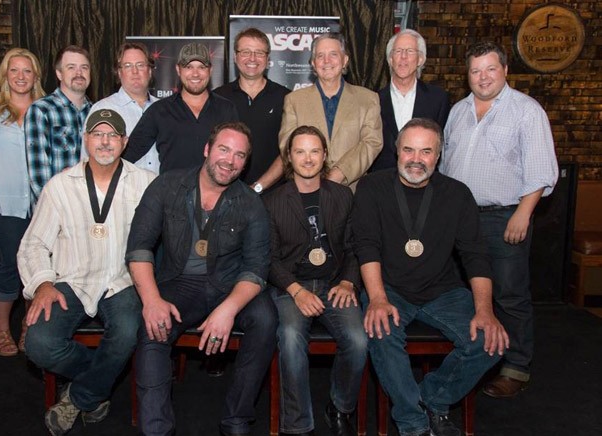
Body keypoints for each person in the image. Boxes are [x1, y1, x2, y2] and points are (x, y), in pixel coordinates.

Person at [352, 118, 509, 436]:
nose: (415, 159)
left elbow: (475, 256)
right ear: (396, 151)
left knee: (493, 342)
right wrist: (378, 299)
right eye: (408, 149)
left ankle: (432, 398)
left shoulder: (458, 194)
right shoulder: (372, 187)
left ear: (438, 155)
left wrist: (485, 310)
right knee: (380, 331)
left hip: (443, 291)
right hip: (390, 288)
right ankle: (413, 424)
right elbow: (366, 246)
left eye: (426, 151)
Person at [126, 121, 277, 436]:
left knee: (265, 317)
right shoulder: (167, 186)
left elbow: (256, 269)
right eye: (223, 149)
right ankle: (156, 430)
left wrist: (228, 309)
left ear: (245, 163)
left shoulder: (251, 204)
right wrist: (152, 300)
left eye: (239, 156)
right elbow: (139, 248)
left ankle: (236, 419)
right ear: (207, 150)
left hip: (229, 284)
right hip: (179, 283)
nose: (229, 161)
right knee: (154, 323)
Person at [18, 109, 156, 436]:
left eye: (112, 135)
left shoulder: (147, 184)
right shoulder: (60, 186)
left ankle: (79, 397)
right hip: (71, 280)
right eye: (97, 134)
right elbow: (33, 244)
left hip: (122, 282)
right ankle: (99, 380)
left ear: (124, 142)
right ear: (86, 140)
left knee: (126, 331)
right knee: (38, 344)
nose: (105, 142)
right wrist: (42, 283)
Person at [441, 41, 558, 399]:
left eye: (490, 69)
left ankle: (516, 368)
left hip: (504, 215)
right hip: (459, 219)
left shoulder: (526, 111)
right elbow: (445, 166)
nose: (483, 77)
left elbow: (540, 169)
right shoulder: (458, 111)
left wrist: (523, 213)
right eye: (476, 71)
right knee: (464, 292)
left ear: (505, 70)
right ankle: (475, 357)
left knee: (509, 294)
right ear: (468, 75)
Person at [264, 125, 367, 436]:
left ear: (324, 156)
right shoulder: (271, 201)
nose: (307, 158)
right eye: (300, 152)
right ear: (289, 158)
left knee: (359, 341)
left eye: (314, 151)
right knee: (292, 338)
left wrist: (349, 282)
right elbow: (267, 258)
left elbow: (355, 247)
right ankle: (297, 424)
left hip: (335, 283)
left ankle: (340, 407)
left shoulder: (343, 195)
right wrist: (295, 291)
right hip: (290, 286)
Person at [0, 47, 45, 357]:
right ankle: (1, 327)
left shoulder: (47, 110)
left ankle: (29, 327)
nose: (21, 76)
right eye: (14, 70)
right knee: (12, 263)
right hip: (2, 205)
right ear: (5, 74)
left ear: (36, 76)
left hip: (43, 205)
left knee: (38, 268)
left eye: (27, 70)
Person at [278, 32, 382, 189]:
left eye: (333, 54)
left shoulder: (368, 99)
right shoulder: (294, 100)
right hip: (307, 189)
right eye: (320, 56)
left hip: (352, 191)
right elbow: (287, 144)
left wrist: (340, 173)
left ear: (345, 60)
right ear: (313, 63)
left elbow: (372, 143)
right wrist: (313, 176)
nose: (326, 61)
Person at [123, 42, 239, 174]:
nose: (195, 74)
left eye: (201, 67)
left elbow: (237, 155)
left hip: (217, 193)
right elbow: (127, 155)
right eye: (188, 67)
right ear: (178, 70)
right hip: (171, 193)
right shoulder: (159, 111)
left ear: (210, 70)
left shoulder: (226, 109)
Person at [214, 27, 290, 193]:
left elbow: (288, 151)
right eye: (246, 51)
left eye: (259, 53)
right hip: (226, 195)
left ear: (268, 59)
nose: (252, 58)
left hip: (274, 195)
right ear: (235, 57)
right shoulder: (218, 97)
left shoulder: (286, 98)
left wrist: (257, 187)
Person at [371, 29, 450, 172]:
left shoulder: (438, 99)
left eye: (410, 51)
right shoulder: (373, 100)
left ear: (420, 59)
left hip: (424, 181)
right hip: (383, 184)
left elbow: (442, 147)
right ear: (390, 59)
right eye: (398, 51)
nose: (403, 57)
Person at [25, 45, 92, 203]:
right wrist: (56, 210)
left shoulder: (96, 112)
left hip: (92, 208)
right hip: (56, 208)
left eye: (84, 67)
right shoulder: (41, 110)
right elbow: (38, 174)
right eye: (71, 67)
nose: (79, 73)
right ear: (59, 73)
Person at [83, 42, 160, 173]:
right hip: (121, 191)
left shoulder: (163, 109)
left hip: (161, 190)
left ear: (150, 71)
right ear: (119, 72)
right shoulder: (103, 109)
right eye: (128, 66)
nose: (135, 71)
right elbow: (87, 161)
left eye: (140, 65)